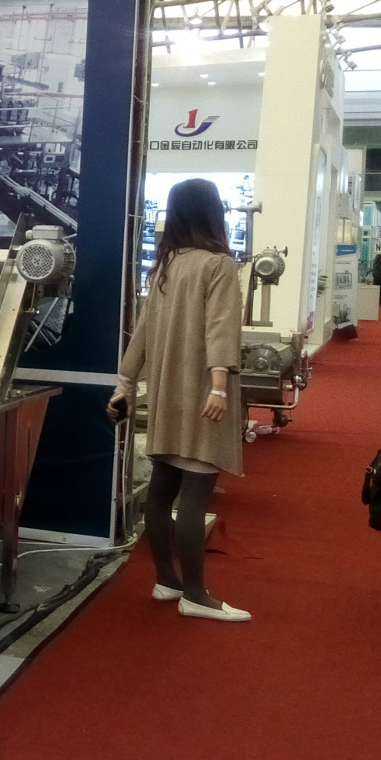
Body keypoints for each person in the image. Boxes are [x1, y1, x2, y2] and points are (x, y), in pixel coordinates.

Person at [109, 178, 248, 621]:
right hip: (203, 393)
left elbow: (141, 333)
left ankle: (167, 580)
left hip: (167, 393)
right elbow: (221, 328)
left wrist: (124, 385)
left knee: (162, 489)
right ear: (213, 212)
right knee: (195, 493)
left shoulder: (166, 266)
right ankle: (195, 594)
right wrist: (219, 386)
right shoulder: (218, 265)